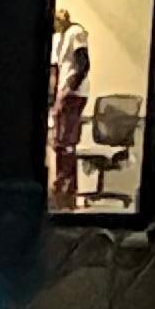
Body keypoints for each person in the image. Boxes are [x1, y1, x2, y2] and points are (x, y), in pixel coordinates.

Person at [47, 14, 91, 209]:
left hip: (73, 94)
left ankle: (66, 188)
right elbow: (56, 69)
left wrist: (68, 90)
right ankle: (61, 185)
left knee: (66, 141)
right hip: (62, 94)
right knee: (59, 142)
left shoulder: (76, 32)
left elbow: (83, 65)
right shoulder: (59, 37)